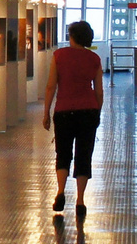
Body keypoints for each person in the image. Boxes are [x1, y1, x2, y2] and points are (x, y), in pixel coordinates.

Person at [41, 19, 105, 218]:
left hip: (64, 111)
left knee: (63, 152)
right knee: (84, 155)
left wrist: (46, 113)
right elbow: (99, 91)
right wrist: (97, 112)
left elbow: (51, 86)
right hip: (88, 111)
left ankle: (60, 191)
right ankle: (80, 200)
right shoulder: (94, 59)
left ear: (72, 36)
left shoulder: (59, 56)